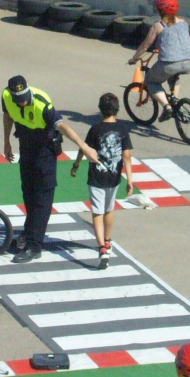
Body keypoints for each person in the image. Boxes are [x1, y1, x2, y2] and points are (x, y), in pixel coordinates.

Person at [2, 75, 99, 263]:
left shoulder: (41, 104)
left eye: (24, 96)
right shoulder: (6, 96)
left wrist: (85, 147)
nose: (21, 101)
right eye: (18, 98)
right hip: (26, 145)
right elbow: (8, 115)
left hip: (44, 150)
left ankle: (34, 246)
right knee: (28, 193)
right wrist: (6, 141)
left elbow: (62, 125)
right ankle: (28, 234)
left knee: (42, 198)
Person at [70, 92, 133, 270]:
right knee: (109, 208)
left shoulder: (95, 129)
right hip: (114, 177)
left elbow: (84, 149)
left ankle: (102, 248)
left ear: (100, 110)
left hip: (96, 176)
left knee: (97, 212)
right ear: (117, 109)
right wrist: (130, 180)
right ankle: (107, 240)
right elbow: (127, 156)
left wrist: (76, 165)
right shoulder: (122, 129)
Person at [128, 0, 190, 122]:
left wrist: (134, 59)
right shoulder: (184, 23)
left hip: (170, 63)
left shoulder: (158, 26)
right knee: (174, 76)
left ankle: (167, 107)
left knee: (151, 81)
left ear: (160, 10)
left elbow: (145, 46)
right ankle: (175, 102)